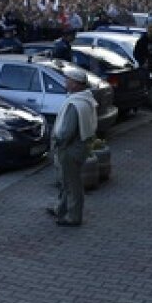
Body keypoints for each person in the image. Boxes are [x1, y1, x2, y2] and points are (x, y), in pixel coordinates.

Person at [46, 66, 96, 227]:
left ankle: (73, 217)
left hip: (70, 150)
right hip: (81, 147)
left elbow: (66, 132)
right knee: (67, 182)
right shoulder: (86, 99)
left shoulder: (75, 104)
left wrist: (57, 143)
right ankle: (61, 208)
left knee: (71, 184)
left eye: (68, 79)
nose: (65, 82)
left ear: (75, 83)